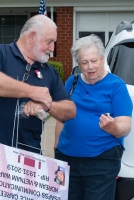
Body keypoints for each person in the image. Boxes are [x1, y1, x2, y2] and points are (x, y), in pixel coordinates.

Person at [54, 34, 133, 200]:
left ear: (103, 59)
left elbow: (125, 125)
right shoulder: (72, 82)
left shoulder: (116, 86)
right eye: (84, 62)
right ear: (79, 64)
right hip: (67, 160)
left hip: (101, 162)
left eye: (94, 60)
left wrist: (113, 127)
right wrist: (56, 148)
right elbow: (61, 117)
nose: (90, 66)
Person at [0, 14, 76, 154]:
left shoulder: (49, 72)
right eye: (49, 41)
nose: (53, 48)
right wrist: (32, 91)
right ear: (31, 37)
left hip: (28, 163)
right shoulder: (3, 54)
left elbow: (70, 110)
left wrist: (47, 104)